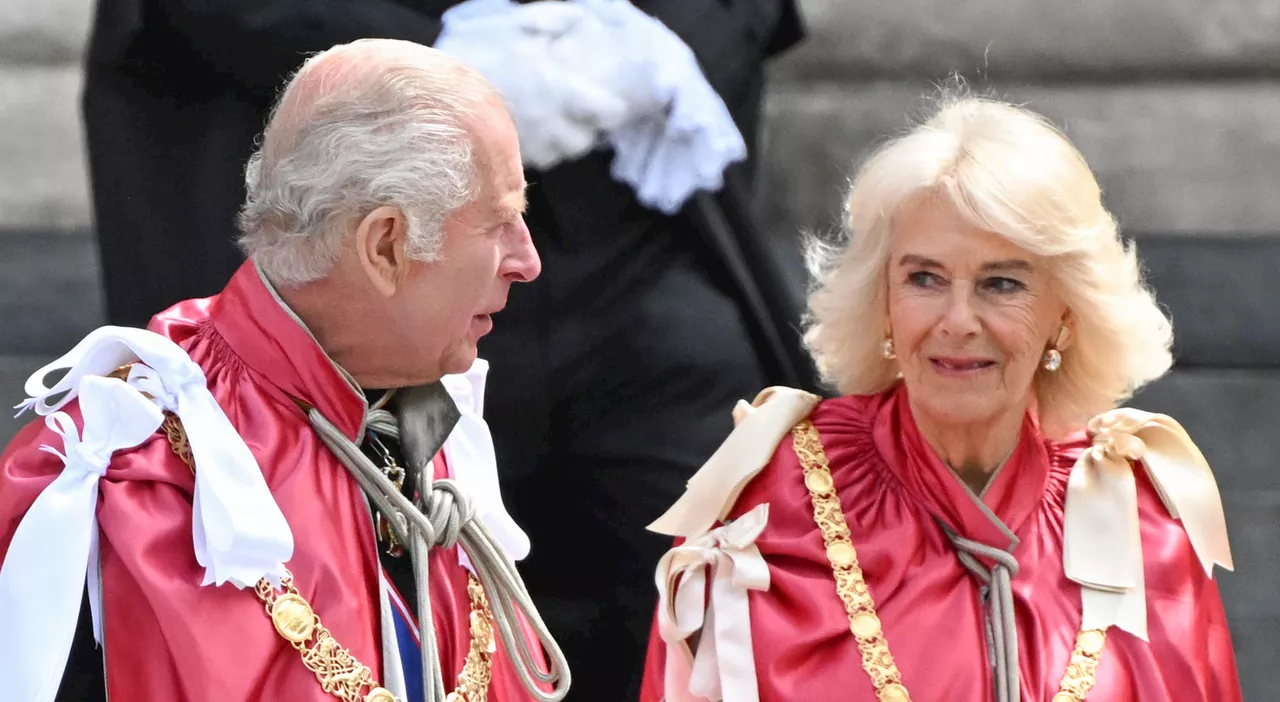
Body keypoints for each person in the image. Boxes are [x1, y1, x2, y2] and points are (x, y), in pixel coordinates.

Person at [83, 1, 808, 697]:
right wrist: (436, 69)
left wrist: (636, 47)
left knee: (723, 583)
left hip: (641, 250)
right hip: (377, 268)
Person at [0, 39, 568, 702]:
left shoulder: (412, 414)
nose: (526, 260)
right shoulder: (133, 477)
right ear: (384, 245)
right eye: (501, 220)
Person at [639, 94, 1241, 701]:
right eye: (924, 278)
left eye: (1001, 283)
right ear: (883, 301)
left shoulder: (1142, 520)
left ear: (1066, 314)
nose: (957, 321)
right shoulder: (766, 504)